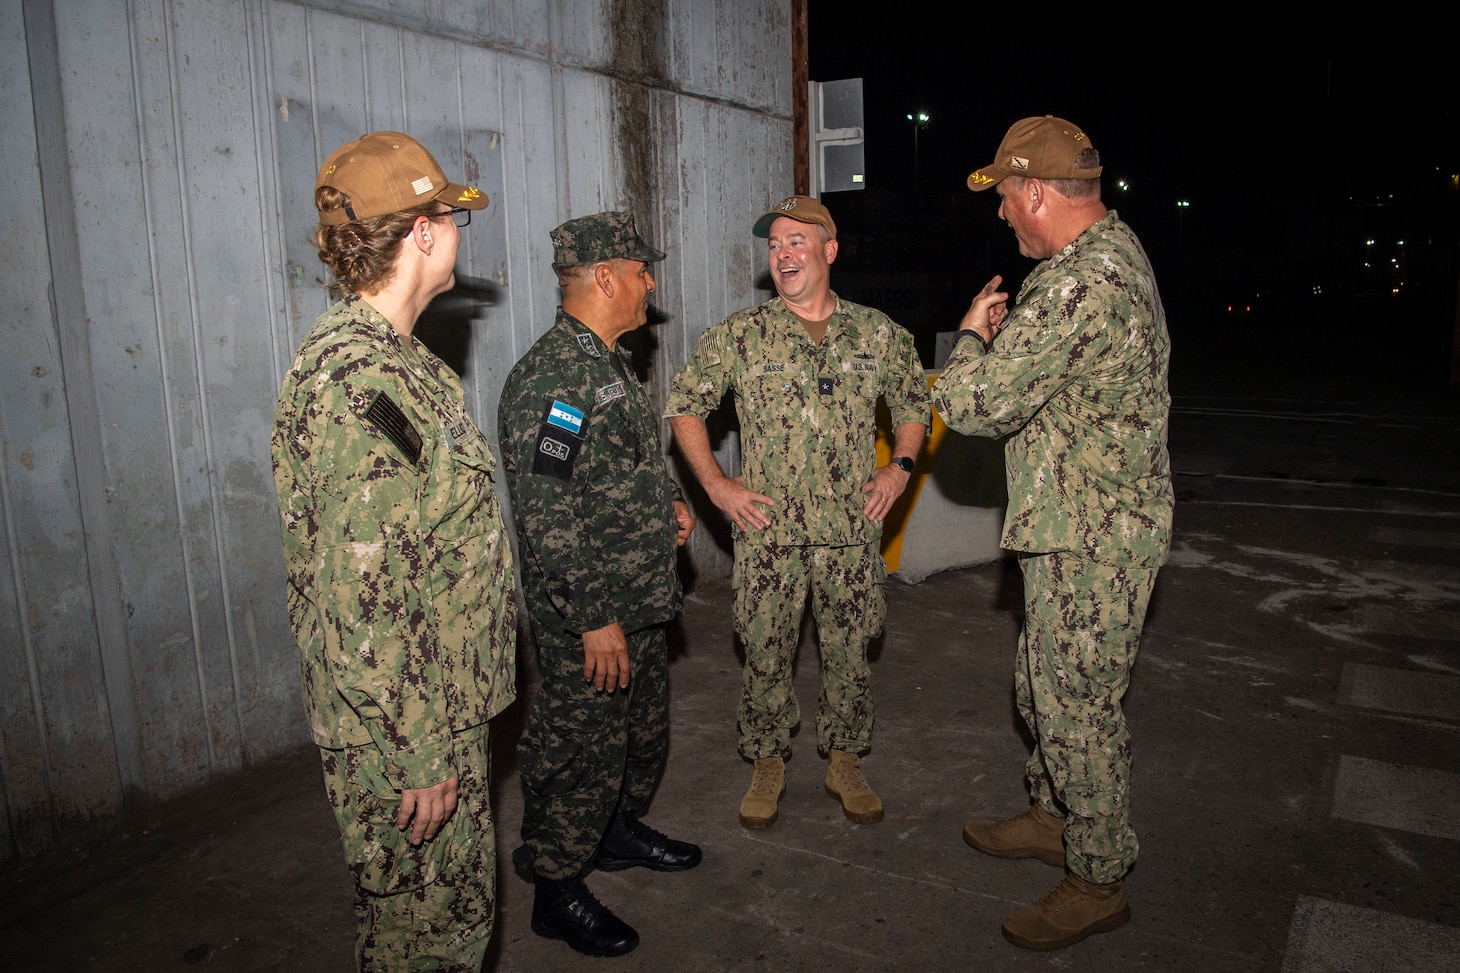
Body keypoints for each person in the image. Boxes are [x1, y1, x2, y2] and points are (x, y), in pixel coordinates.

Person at [272, 131, 516, 972]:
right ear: (421, 231)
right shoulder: (356, 383)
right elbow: (366, 597)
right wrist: (419, 749)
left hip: (435, 710)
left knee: (448, 931)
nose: (458, 231)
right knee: (426, 944)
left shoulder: (404, 365)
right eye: (450, 215)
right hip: (406, 734)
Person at [930, 115, 1173, 952]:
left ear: (1036, 191)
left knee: (1078, 706)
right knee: (1041, 683)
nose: (1001, 214)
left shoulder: (1078, 285)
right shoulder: (1112, 250)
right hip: (1080, 516)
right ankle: (1054, 814)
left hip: (1094, 536)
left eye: (1005, 197)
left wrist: (969, 338)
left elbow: (974, 406)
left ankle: (1099, 873)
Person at [665, 195, 930, 830]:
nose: (782, 254)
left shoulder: (877, 333)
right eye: (774, 245)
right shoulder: (740, 336)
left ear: (828, 251)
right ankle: (767, 761)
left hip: (849, 529)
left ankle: (844, 758)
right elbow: (684, 408)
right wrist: (717, 487)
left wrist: (900, 467)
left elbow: (913, 401)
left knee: (849, 650)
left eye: (795, 241)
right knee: (765, 649)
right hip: (770, 534)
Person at [498, 211, 701, 958]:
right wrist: (591, 618)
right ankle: (555, 885)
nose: (651, 281)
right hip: (594, 611)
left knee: (638, 738)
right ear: (606, 276)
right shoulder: (554, 379)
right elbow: (546, 508)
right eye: (642, 270)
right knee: (578, 748)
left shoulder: (608, 361)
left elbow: (614, 470)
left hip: (638, 597)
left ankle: (613, 833)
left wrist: (667, 505)